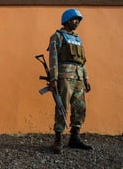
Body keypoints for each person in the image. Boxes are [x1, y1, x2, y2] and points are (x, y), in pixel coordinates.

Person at [48, 8, 93, 154]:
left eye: (79, 20)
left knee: (80, 107)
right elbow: (53, 58)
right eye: (75, 19)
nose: (77, 22)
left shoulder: (78, 39)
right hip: (65, 76)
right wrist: (53, 78)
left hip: (79, 77)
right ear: (67, 20)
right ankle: (58, 139)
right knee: (63, 107)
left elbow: (82, 62)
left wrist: (86, 78)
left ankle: (75, 136)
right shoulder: (57, 36)